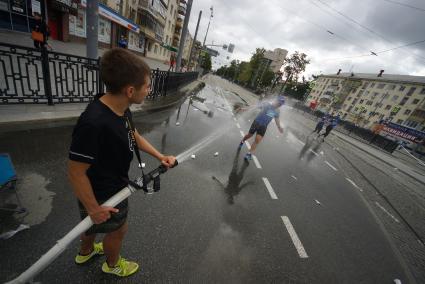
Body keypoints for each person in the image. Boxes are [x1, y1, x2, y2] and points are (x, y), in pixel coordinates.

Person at [67, 48, 176, 277]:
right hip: (104, 192)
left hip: (107, 186)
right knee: (117, 230)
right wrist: (94, 208)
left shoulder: (120, 109)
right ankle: (113, 266)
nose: (149, 90)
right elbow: (76, 172)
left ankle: (85, 252)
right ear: (129, 90)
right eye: (147, 86)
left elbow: (132, 134)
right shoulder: (94, 122)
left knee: (89, 224)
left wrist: (159, 156)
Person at [239, 96, 285, 161]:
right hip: (256, 122)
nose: (279, 105)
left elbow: (277, 119)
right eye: (279, 103)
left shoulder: (277, 111)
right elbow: (255, 107)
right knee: (249, 135)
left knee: (257, 140)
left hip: (263, 126)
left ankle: (249, 154)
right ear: (276, 100)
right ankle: (242, 141)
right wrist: (245, 109)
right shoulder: (267, 104)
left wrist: (279, 127)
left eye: (280, 104)